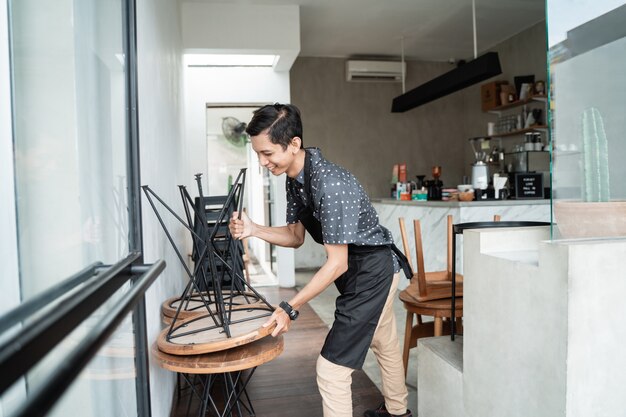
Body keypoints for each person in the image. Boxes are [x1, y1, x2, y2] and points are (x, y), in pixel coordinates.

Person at [228, 103, 412, 417]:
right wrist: (253, 229)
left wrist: (289, 306)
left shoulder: (331, 184)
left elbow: (336, 262)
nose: (262, 162)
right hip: (360, 271)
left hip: (373, 272)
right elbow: (295, 236)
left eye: (268, 153)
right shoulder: (293, 178)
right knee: (384, 342)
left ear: (294, 144)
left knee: (331, 370)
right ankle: (399, 412)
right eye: (258, 153)